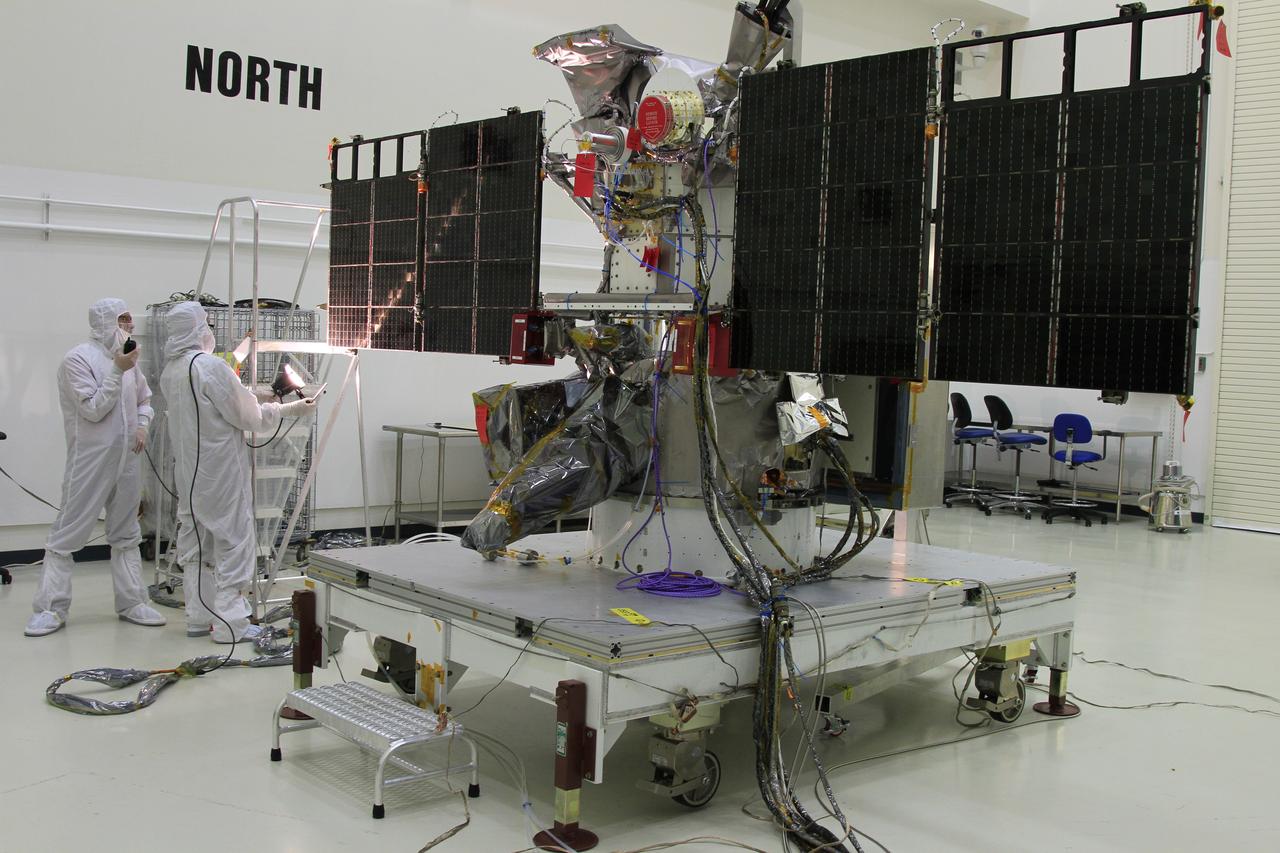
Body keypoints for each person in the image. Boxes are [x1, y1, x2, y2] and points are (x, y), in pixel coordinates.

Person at [160, 302, 315, 643]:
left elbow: (221, 400)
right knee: (233, 540)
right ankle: (232, 624)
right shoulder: (210, 367)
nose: (210, 331)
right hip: (219, 470)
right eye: (207, 324)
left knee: (196, 543)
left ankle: (199, 617)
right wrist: (288, 408)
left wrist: (257, 385)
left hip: (188, 474)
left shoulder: (171, 370)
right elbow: (247, 416)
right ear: (197, 329)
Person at [26, 299, 168, 637]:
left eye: (130, 320)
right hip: (90, 461)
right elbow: (92, 409)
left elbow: (145, 400)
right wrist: (118, 369)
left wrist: (142, 426)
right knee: (67, 534)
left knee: (126, 534)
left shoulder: (129, 361)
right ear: (105, 322)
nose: (130, 326)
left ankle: (132, 602)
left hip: (127, 460)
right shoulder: (78, 359)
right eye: (124, 320)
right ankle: (50, 609)